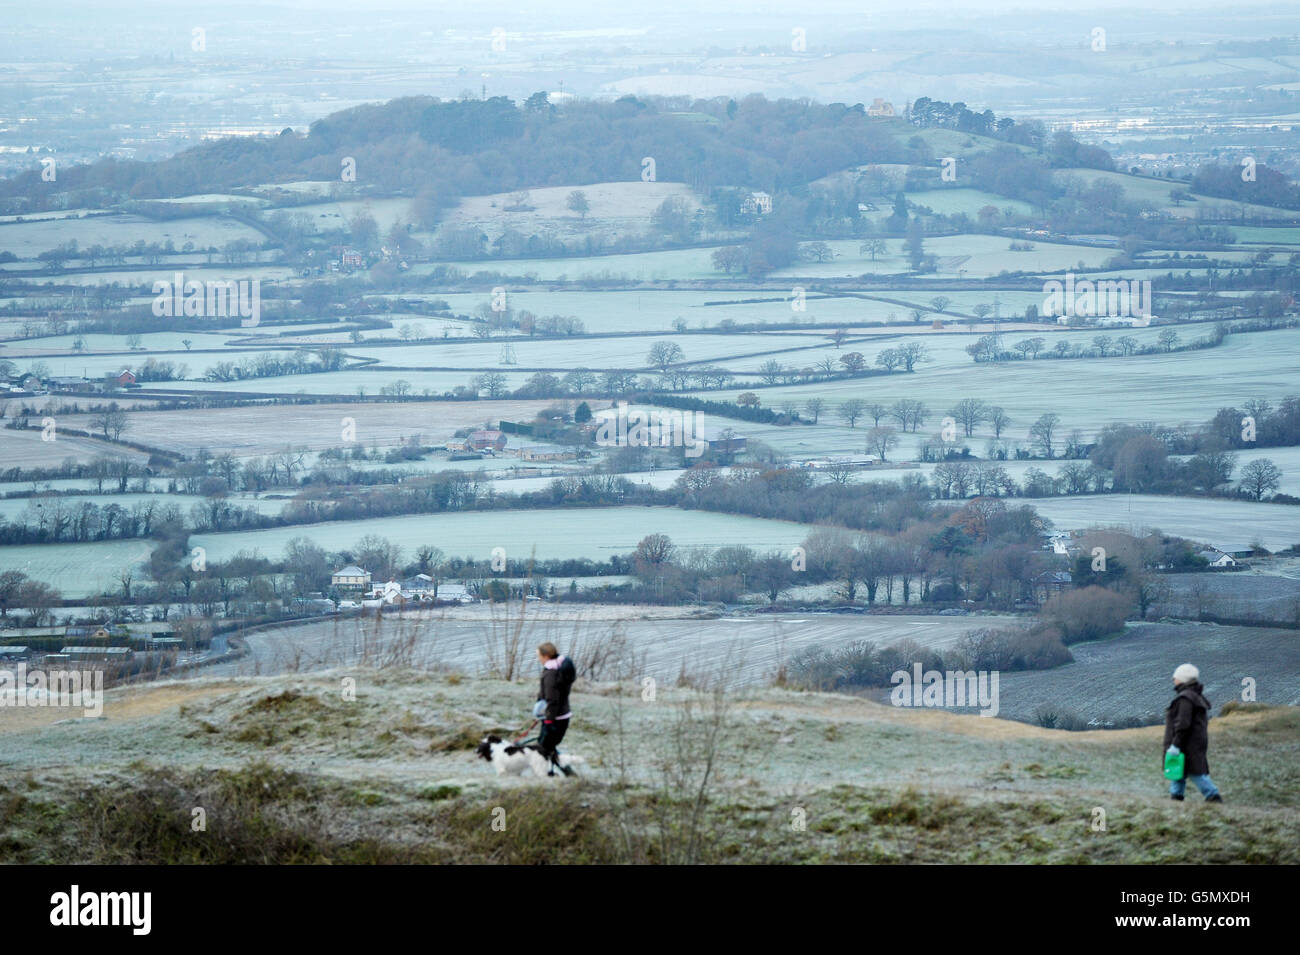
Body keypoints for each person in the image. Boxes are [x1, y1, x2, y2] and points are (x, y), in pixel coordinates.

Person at [1163, 663, 1222, 803]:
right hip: (1192, 743)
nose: (1173, 679)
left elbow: (1183, 724)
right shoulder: (1195, 696)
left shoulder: (1185, 699)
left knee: (1195, 772)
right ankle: (1175, 798)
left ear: (1183, 679)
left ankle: (1213, 796)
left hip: (1186, 744)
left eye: (1176, 677)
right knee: (1178, 771)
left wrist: (1175, 745)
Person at [535, 642, 576, 777]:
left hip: (555, 718)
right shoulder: (560, 670)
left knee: (544, 748)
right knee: (547, 747)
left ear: (546, 656)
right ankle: (556, 772)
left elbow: (552, 700)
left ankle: (558, 773)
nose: (538, 659)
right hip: (563, 716)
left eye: (539, 656)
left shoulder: (550, 674)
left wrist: (548, 720)